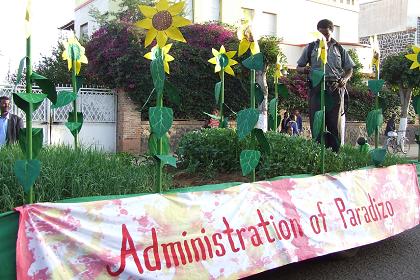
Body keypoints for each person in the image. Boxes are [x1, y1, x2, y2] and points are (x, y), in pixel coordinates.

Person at [296, 19, 355, 152]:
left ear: (331, 31)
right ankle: (318, 151)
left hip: (334, 88)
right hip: (316, 88)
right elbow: (298, 67)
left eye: (326, 34)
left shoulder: (339, 48)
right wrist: (306, 70)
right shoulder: (311, 47)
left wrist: (344, 79)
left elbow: (349, 69)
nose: (324, 37)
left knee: (334, 123)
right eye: (321, 34)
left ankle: (335, 153)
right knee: (317, 121)